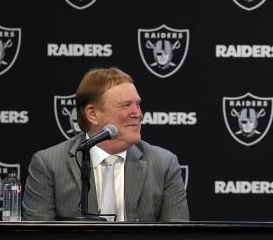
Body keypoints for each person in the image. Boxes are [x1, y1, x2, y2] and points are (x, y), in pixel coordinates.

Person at [23, 67, 189, 222]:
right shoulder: (49, 164)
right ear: (93, 114)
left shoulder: (164, 164)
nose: (137, 114)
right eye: (126, 105)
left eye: (137, 104)